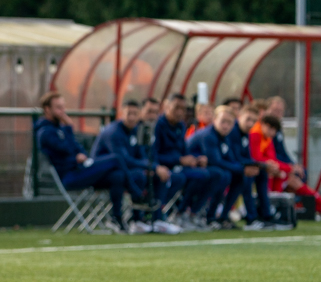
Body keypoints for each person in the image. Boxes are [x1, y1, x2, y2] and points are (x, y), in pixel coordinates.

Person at [34, 92, 130, 231]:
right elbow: (66, 151)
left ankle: (116, 218)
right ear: (47, 109)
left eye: (63, 107)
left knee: (117, 176)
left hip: (82, 171)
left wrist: (79, 153)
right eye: (58, 108)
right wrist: (69, 128)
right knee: (116, 158)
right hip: (71, 177)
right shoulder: (45, 132)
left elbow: (78, 148)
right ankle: (138, 195)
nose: (63, 111)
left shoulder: (61, 129)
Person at [91, 101, 182, 234]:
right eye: (129, 113)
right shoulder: (113, 132)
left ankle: (156, 217)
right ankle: (135, 219)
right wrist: (152, 167)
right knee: (136, 175)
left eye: (135, 114)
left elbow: (141, 156)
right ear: (121, 114)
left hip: (126, 171)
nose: (132, 117)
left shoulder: (136, 131)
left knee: (160, 175)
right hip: (103, 174)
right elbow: (123, 160)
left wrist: (153, 168)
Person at [249, 114, 321, 217]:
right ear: (264, 124)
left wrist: (287, 168)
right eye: (271, 129)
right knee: (288, 179)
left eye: (274, 130)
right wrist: (289, 168)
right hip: (258, 170)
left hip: (265, 170)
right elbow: (258, 158)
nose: (273, 133)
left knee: (289, 180)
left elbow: (272, 159)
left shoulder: (267, 138)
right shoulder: (255, 134)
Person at [153, 93, 215, 231]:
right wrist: (179, 160)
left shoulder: (181, 125)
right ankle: (172, 213)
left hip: (178, 166)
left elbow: (184, 151)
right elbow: (153, 155)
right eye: (176, 108)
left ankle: (191, 214)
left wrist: (195, 159)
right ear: (166, 106)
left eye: (183, 109)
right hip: (163, 167)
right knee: (182, 178)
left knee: (210, 174)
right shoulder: (157, 125)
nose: (180, 112)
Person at [229, 106, 277, 230]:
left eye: (254, 121)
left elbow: (247, 156)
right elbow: (234, 157)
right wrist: (257, 165)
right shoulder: (233, 131)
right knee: (245, 177)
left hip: (235, 165)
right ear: (240, 116)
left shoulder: (245, 133)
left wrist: (262, 165)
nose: (250, 124)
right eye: (248, 119)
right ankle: (251, 218)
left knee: (261, 173)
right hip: (229, 167)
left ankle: (266, 215)